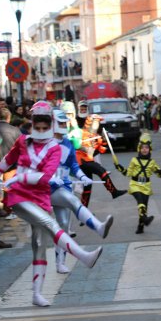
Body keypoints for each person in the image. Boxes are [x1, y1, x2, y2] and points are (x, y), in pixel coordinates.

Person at [0, 101, 103, 307]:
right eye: (37, 127)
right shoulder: (22, 141)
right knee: (51, 223)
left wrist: (20, 177)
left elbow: (46, 177)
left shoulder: (55, 149)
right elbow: (8, 159)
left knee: (39, 245)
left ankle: (37, 294)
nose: (40, 131)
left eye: (44, 128)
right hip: (19, 195)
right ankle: (82, 255)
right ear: (32, 124)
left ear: (51, 126)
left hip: (40, 195)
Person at [49, 109, 113, 274]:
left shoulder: (67, 143)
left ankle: (60, 262)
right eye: (61, 123)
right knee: (72, 202)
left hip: (62, 186)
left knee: (63, 224)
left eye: (65, 123)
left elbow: (74, 166)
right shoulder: (45, 143)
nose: (64, 125)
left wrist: (82, 177)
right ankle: (97, 226)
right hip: (46, 188)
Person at [114, 134, 161, 234]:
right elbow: (127, 173)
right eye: (142, 148)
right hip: (135, 185)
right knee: (140, 201)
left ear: (150, 149)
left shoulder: (152, 162)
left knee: (144, 207)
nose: (144, 150)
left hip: (146, 186)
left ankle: (141, 226)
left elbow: (160, 174)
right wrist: (119, 167)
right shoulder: (134, 160)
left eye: (146, 148)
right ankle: (145, 220)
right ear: (139, 149)